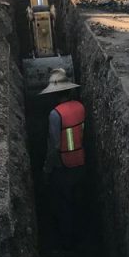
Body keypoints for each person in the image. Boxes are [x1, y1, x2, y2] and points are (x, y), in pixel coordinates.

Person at [40, 68, 85, 243]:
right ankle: (83, 235)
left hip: (63, 167)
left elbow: (54, 146)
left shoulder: (55, 114)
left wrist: (46, 170)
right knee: (78, 201)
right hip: (81, 162)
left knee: (64, 205)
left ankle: (67, 242)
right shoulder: (80, 107)